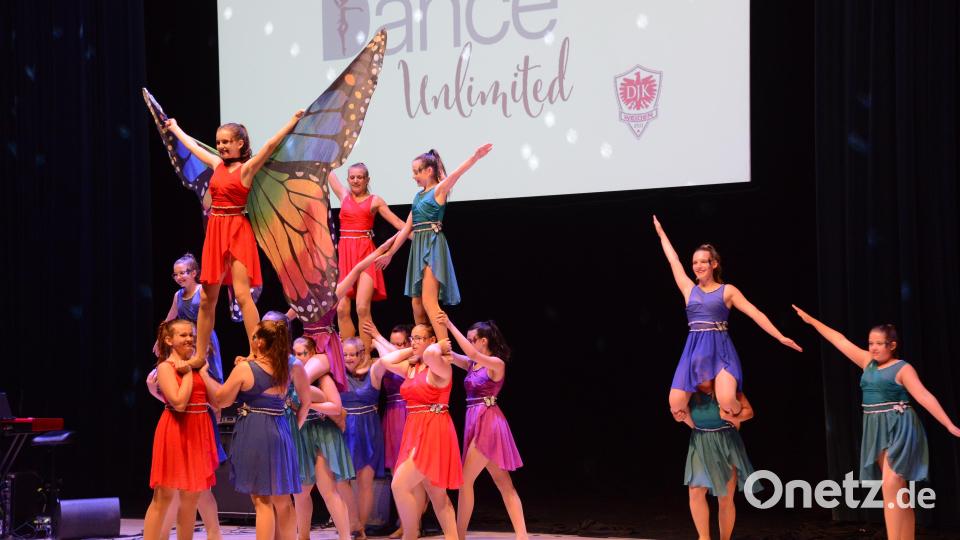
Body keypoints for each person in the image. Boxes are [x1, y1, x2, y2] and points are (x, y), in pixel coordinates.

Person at [792, 306, 960, 540]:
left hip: (900, 426)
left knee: (890, 485)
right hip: (875, 426)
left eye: (879, 343)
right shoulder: (866, 361)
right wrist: (812, 321)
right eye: (871, 343)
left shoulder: (903, 369)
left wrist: (949, 425)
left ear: (892, 345)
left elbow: (924, 396)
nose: (873, 348)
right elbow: (839, 339)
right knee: (897, 488)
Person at [163, 110, 305, 367]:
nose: (221, 146)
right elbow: (193, 147)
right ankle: (199, 355)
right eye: (219, 142)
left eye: (227, 142)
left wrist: (293, 122)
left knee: (242, 295)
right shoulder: (218, 164)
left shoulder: (247, 168)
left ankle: (257, 352)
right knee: (207, 298)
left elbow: (271, 144)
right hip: (216, 230)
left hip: (237, 230)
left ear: (240, 143)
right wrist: (175, 128)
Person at [652, 215, 802, 420]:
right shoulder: (689, 289)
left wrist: (779, 336)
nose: (698, 265)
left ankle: (735, 420)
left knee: (727, 401)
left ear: (714, 264)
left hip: (720, 350)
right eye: (695, 262)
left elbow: (755, 312)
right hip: (694, 350)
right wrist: (661, 233)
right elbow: (673, 260)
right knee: (675, 405)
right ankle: (704, 432)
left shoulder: (727, 291)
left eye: (703, 261)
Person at [200, 319, 312, 540]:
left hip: (256, 431)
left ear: (260, 342)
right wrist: (292, 431)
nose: (252, 340)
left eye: (254, 337)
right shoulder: (291, 365)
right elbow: (305, 403)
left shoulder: (245, 368)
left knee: (262, 501)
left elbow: (222, 400)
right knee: (282, 499)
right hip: (281, 430)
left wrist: (204, 374)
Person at [375, 145, 493, 341]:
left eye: (416, 172)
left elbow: (456, 174)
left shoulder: (439, 190)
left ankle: (444, 348)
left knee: (430, 302)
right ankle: (424, 344)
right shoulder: (418, 196)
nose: (413, 176)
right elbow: (406, 229)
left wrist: (475, 157)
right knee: (417, 304)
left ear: (429, 171)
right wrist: (390, 253)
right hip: (418, 247)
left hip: (432, 245)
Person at [438, 313, 527, 540]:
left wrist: (449, 324)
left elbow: (470, 352)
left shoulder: (496, 363)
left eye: (472, 339)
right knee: (503, 484)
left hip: (488, 422)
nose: (469, 342)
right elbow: (454, 355)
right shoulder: (472, 363)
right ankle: (522, 536)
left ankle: (458, 535)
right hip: (474, 418)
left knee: (466, 481)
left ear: (483, 340)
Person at [379, 324, 461, 540]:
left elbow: (433, 353)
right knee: (437, 494)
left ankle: (409, 535)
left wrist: (438, 345)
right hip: (414, 428)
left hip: (434, 429)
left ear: (431, 339)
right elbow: (386, 361)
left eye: (418, 338)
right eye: (412, 338)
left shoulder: (440, 366)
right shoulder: (411, 368)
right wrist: (413, 350)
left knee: (399, 484)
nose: (413, 342)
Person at [143, 320, 219, 540]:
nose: (189, 339)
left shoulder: (196, 365)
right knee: (164, 496)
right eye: (183, 335)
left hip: (198, 431)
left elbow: (216, 402)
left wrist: (202, 373)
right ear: (169, 340)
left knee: (191, 498)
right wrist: (187, 373)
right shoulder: (165, 367)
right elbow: (178, 402)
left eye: (191, 335)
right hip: (175, 431)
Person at [328, 163, 405, 356]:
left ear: (367, 180)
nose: (355, 180)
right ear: (348, 179)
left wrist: (419, 233)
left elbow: (399, 224)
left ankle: (365, 357)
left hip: (366, 255)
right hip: (345, 256)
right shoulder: (344, 196)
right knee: (341, 309)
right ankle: (348, 356)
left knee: (362, 308)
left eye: (360, 177)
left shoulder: (375, 201)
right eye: (352, 177)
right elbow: (327, 171)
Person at [683, 382, 758, 540]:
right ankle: (704, 538)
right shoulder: (689, 390)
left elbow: (750, 412)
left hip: (726, 440)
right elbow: (686, 416)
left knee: (725, 496)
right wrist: (681, 417)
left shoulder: (726, 388)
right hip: (701, 440)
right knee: (696, 490)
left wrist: (730, 416)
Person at [338, 337, 387, 539]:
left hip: (368, 430)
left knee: (365, 481)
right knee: (340, 480)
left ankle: (361, 528)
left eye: (352, 354)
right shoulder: (336, 374)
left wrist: (377, 342)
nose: (348, 358)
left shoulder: (374, 371)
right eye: (345, 354)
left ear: (361, 354)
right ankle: (353, 521)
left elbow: (388, 359)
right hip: (344, 428)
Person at [155, 253, 223, 382]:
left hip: (204, 338)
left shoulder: (202, 291)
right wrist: (159, 340)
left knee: (207, 374)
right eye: (175, 274)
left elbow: (209, 316)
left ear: (194, 273)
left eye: (182, 273)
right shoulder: (178, 296)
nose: (178, 277)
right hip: (186, 340)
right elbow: (169, 319)